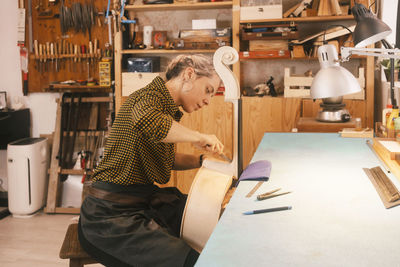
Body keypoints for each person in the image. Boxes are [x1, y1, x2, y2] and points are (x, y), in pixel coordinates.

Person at [78, 54, 225, 267]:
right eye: (208, 90)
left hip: (141, 201)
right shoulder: (146, 99)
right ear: (189, 74)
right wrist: (199, 137)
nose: (207, 101)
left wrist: (201, 160)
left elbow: (164, 158)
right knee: (191, 262)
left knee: (211, 216)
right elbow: (150, 122)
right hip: (109, 216)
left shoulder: (164, 108)